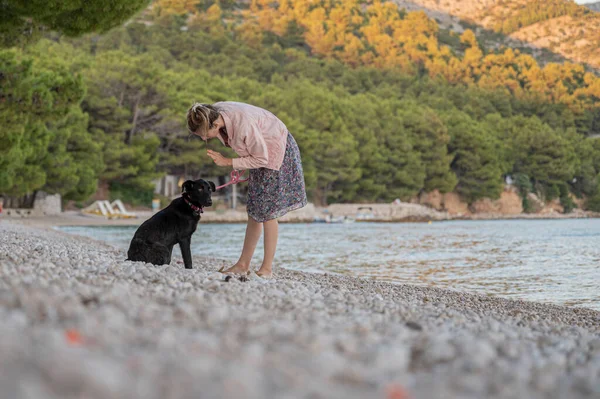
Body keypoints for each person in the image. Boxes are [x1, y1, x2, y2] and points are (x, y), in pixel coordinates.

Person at [186, 101, 308, 278]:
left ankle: (266, 269)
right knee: (254, 210)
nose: (204, 139)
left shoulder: (243, 125)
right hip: (259, 154)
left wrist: (228, 162)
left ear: (215, 124)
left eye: (205, 135)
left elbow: (262, 158)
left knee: (268, 212)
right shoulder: (213, 112)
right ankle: (243, 264)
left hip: (276, 152)